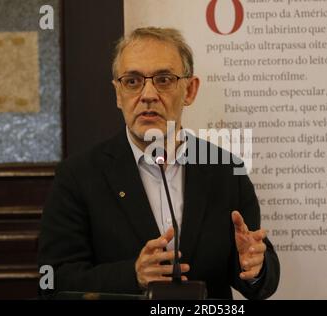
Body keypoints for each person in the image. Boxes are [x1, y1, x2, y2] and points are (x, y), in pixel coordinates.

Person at [38, 27, 280, 299]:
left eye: (164, 79)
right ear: (118, 94)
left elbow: (261, 277)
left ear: (189, 90)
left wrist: (256, 266)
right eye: (132, 81)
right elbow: (54, 280)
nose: (148, 94)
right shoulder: (78, 176)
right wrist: (133, 275)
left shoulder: (225, 170)